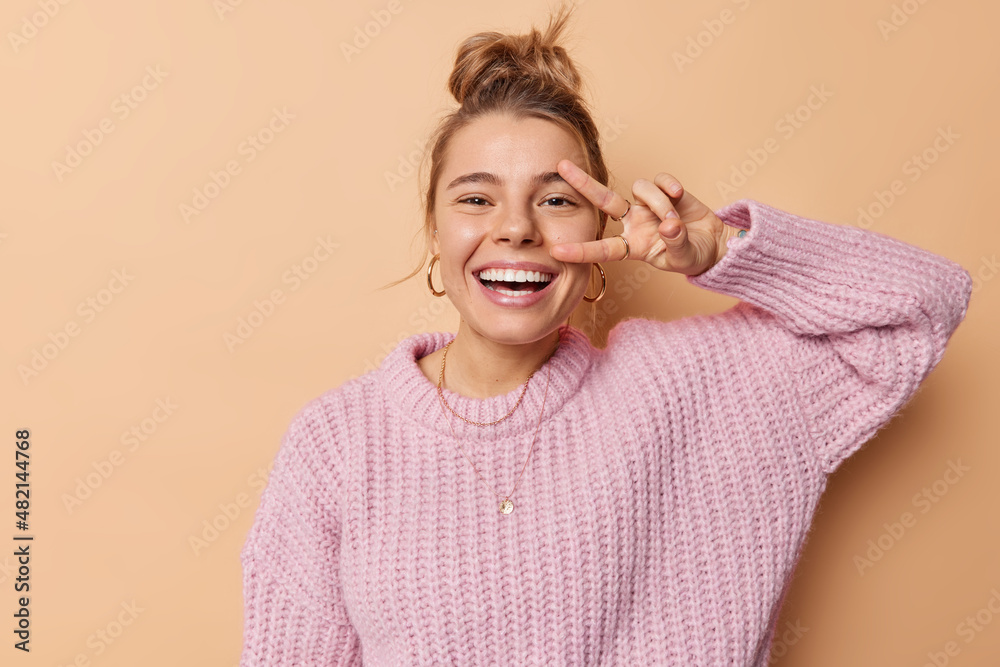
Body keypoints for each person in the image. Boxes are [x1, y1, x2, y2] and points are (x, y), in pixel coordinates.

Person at [239, 7, 972, 666]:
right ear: (434, 231)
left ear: (598, 230)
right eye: (476, 197)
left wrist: (720, 249)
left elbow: (918, 307)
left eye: (556, 199)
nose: (518, 227)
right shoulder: (338, 444)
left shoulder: (699, 388)